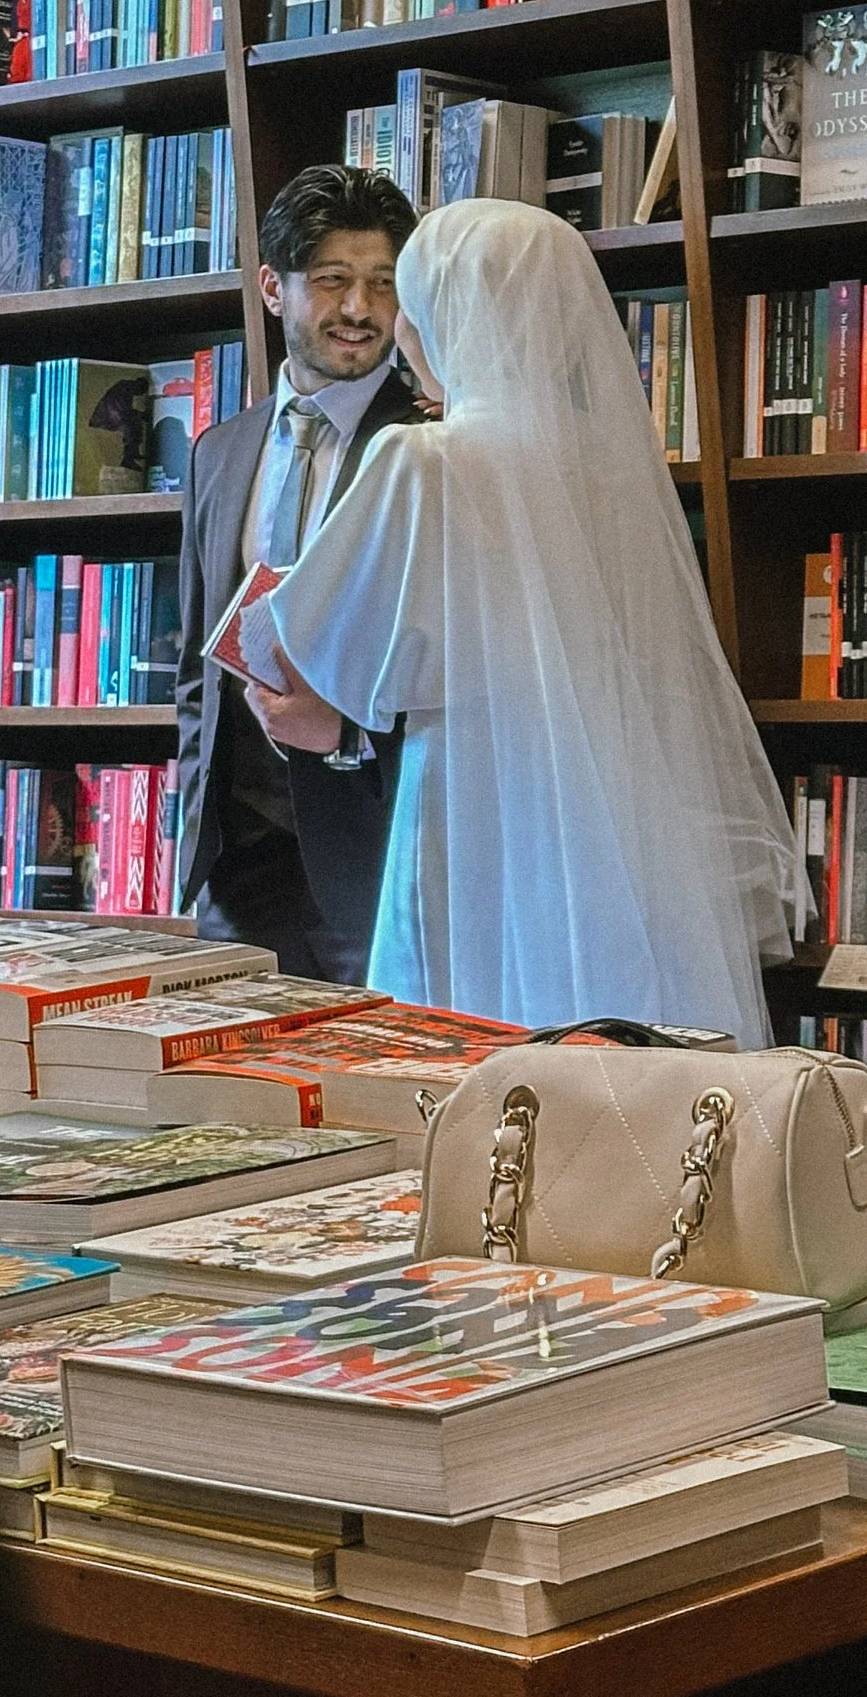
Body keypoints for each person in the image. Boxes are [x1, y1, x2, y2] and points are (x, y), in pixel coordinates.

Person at [265, 198, 802, 1040]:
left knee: (460, 1047)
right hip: (617, 811)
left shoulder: (424, 460)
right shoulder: (615, 473)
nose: (400, 331)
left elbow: (327, 644)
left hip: (465, 799)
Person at [175, 163, 424, 979]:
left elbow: (470, 675)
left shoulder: (431, 449)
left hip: (381, 865)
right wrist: (199, 826)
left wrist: (349, 735)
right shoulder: (219, 452)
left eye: (382, 284)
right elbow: (194, 667)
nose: (359, 309)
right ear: (274, 289)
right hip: (236, 872)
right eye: (333, 281)